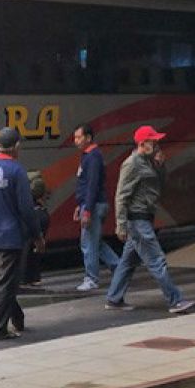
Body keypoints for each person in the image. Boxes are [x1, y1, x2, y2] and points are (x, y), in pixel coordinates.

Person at [104, 125, 195, 315]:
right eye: (153, 142)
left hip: (145, 217)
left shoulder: (148, 162)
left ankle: (114, 298)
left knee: (128, 262)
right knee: (156, 260)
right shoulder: (132, 164)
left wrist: (160, 166)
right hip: (137, 220)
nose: (157, 145)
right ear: (142, 143)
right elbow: (121, 196)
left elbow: (160, 185)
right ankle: (175, 300)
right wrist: (120, 225)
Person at [0, 127, 44, 340]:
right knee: (6, 283)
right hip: (12, 236)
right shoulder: (17, 171)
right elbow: (26, 208)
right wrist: (37, 235)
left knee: (4, 281)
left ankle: (18, 318)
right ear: (17, 147)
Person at [73, 123, 120, 291]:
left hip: (93, 205)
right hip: (92, 203)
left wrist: (87, 209)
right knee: (96, 242)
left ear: (88, 137)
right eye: (75, 138)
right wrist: (81, 205)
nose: (76, 141)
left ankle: (91, 278)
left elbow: (92, 185)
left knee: (88, 243)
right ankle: (119, 268)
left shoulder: (92, 157)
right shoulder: (89, 156)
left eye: (79, 137)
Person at [23, 172, 51, 287]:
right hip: (39, 218)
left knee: (27, 249)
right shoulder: (42, 213)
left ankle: (26, 277)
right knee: (35, 250)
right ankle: (33, 277)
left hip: (31, 221)